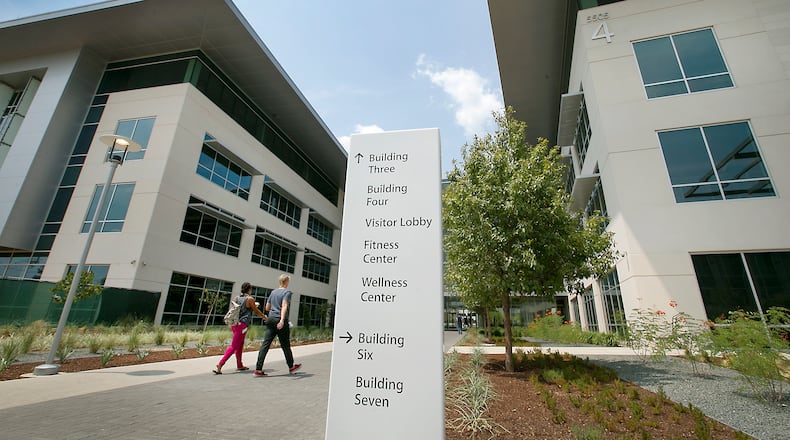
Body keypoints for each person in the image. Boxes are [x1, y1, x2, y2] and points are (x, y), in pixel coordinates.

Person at [253, 274, 301, 376]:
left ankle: (258, 369)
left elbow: (267, 307)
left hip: (271, 319)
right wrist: (282, 320)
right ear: (286, 282)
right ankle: (291, 366)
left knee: (265, 344)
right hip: (279, 320)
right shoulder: (287, 292)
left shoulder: (273, 292)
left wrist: (274, 310)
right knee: (285, 345)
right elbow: (284, 305)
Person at [213, 282, 265, 374]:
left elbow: (238, 309)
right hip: (242, 326)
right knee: (234, 346)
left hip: (235, 324)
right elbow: (256, 311)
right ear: (249, 289)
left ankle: (239, 365)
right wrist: (264, 317)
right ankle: (220, 364)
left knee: (239, 345)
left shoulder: (237, 298)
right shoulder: (250, 299)